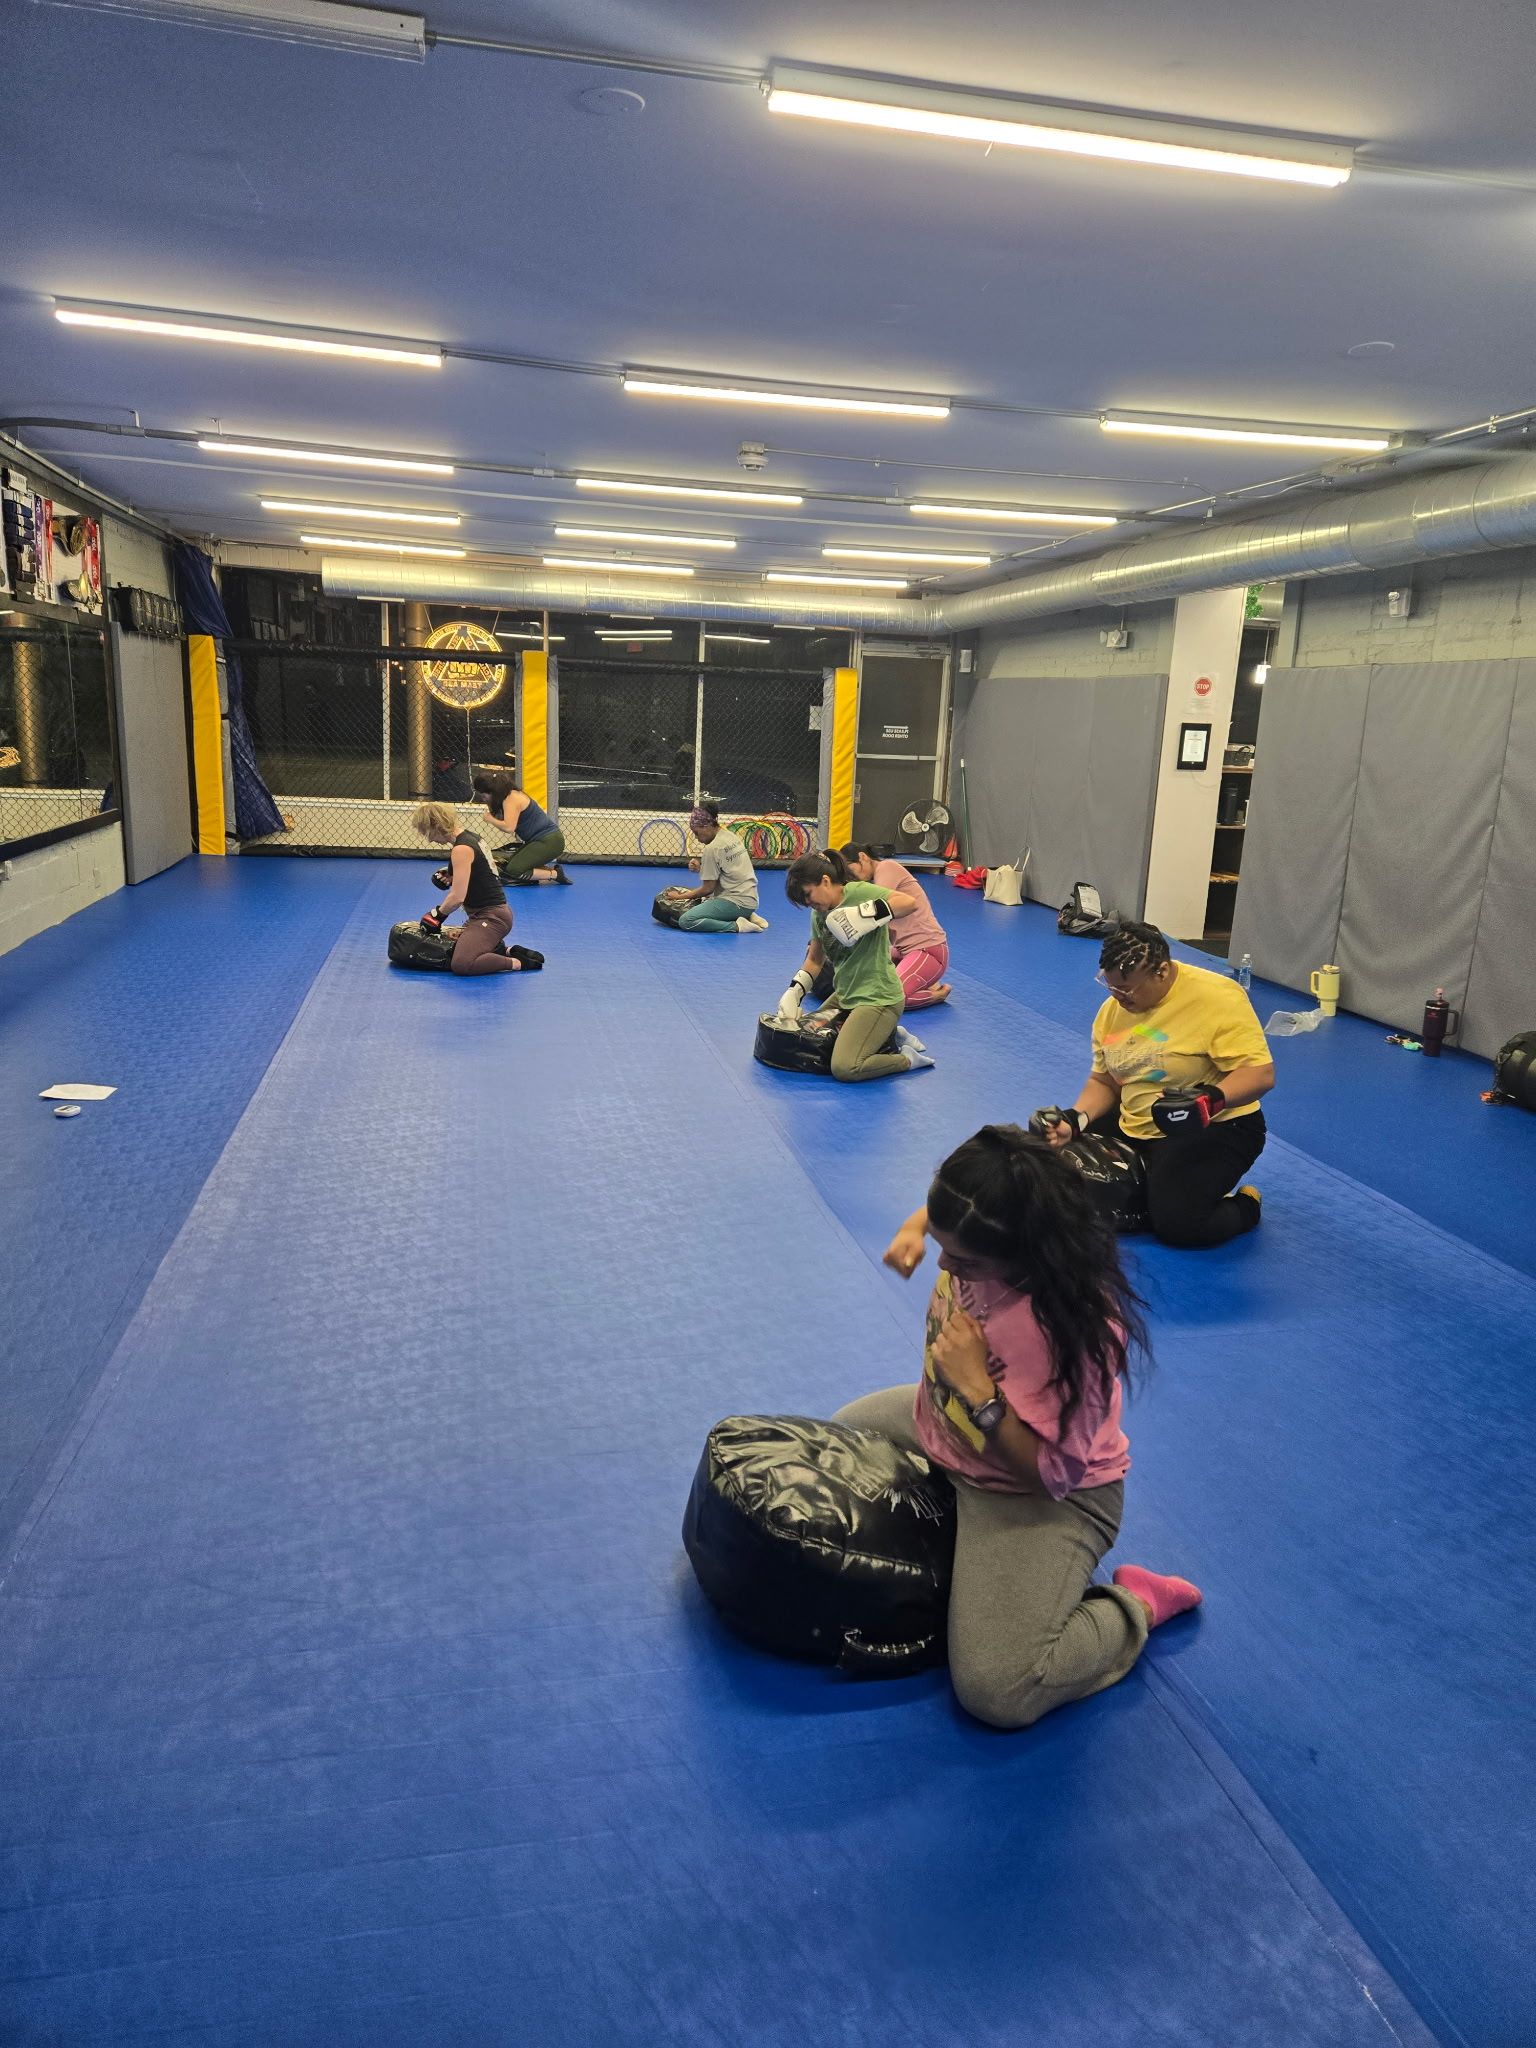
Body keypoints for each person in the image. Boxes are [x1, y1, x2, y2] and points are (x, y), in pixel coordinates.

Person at [837, 1123, 1200, 1730]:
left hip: (1036, 1493)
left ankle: (1135, 1603)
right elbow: (953, 1213)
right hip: (941, 1429)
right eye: (944, 1243)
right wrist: (915, 1226)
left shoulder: (1073, 1333)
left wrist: (978, 1389)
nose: (946, 1265)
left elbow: (1051, 1475)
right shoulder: (985, 1222)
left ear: (1027, 1251)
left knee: (997, 1691)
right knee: (839, 1439)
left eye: (965, 1259)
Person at [1035, 921, 1273, 1249]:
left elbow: (1260, 1074)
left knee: (1179, 1226)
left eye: (1127, 989)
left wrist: (1209, 1099)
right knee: (1044, 1167)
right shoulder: (1112, 1012)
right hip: (1137, 1116)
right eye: (1110, 986)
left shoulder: (1217, 997)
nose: (1118, 998)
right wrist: (1077, 1119)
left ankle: (1246, 1205)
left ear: (1161, 971)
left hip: (1216, 1124)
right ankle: (1158, 1187)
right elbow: (1105, 1080)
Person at [779, 850, 932, 1080]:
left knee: (845, 1067)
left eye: (809, 895)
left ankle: (906, 1059)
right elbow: (814, 960)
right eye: (805, 902)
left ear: (826, 881)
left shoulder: (859, 893)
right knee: (805, 1038)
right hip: (846, 994)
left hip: (879, 997)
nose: (809, 903)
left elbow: (909, 903)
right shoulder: (818, 914)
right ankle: (886, 1035)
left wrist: (865, 914)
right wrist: (794, 992)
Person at [411, 802, 527, 976]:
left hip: (492, 917)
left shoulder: (461, 849)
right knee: (451, 944)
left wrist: (436, 915)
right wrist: (451, 874)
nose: (429, 839)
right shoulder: (471, 838)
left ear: (436, 825)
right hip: (482, 916)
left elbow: (457, 897)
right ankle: (504, 950)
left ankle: (517, 963)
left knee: (462, 964)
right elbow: (482, 869)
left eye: (427, 832)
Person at [838, 842, 951, 1007]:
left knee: (890, 999)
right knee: (862, 982)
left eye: (850, 869)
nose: (850, 876)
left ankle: (936, 995)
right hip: (903, 951)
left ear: (862, 857)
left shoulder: (886, 867)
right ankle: (922, 980)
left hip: (928, 949)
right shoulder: (874, 881)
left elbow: (876, 909)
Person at [675, 801, 769, 933]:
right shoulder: (729, 836)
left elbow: (707, 889)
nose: (696, 838)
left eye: (697, 833)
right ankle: (747, 915)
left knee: (686, 921)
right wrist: (701, 868)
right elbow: (727, 871)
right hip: (750, 899)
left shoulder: (712, 848)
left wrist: (679, 897)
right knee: (704, 900)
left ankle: (738, 926)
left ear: (706, 826)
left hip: (735, 902)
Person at [472, 769, 569, 885]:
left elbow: (508, 828)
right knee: (507, 866)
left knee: (514, 870)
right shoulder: (506, 797)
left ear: (492, 792)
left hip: (549, 841)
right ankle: (541, 870)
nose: (482, 798)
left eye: (483, 795)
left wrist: (490, 819)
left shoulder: (511, 798)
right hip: (540, 841)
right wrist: (491, 807)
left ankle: (555, 875)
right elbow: (501, 820)